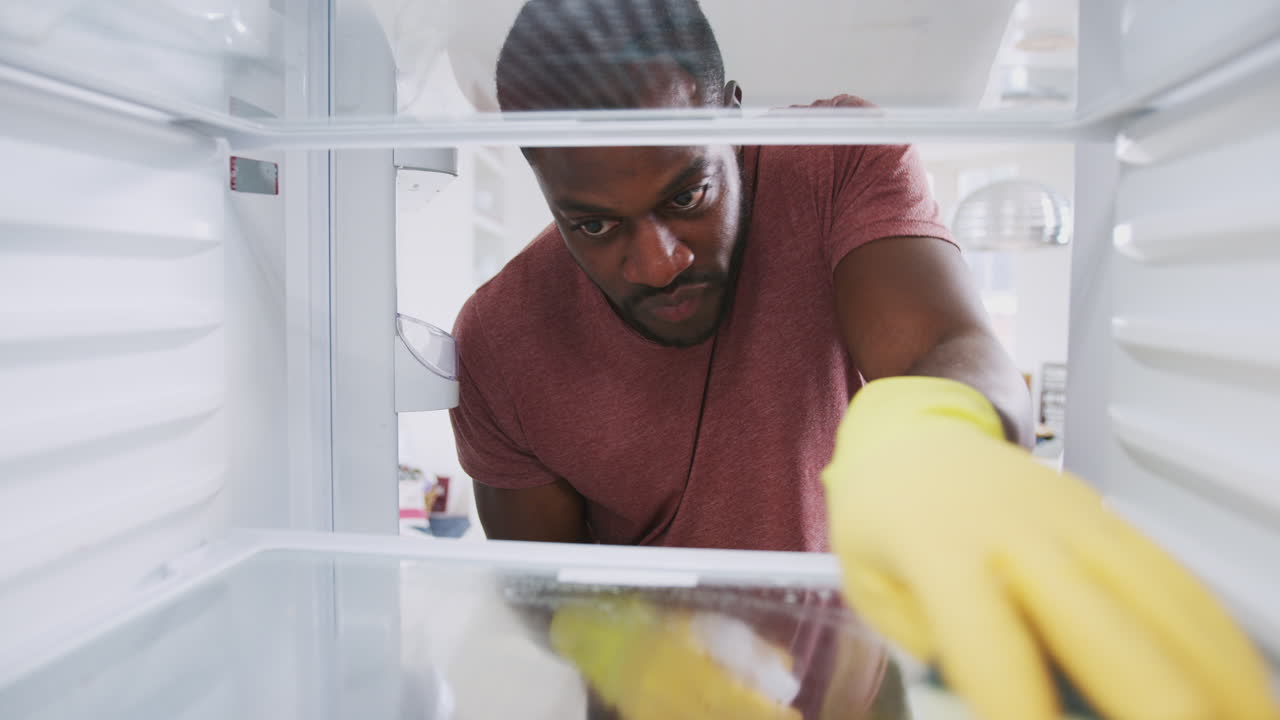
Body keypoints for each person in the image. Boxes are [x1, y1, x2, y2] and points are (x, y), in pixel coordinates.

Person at [448, 1, 1279, 719]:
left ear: (733, 119)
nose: (658, 260)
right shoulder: (498, 336)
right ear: (540, 178)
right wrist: (620, 643)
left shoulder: (835, 157)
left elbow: (943, 346)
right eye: (593, 224)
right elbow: (539, 578)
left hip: (860, 690)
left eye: (686, 195)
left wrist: (931, 443)